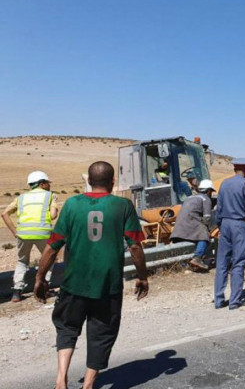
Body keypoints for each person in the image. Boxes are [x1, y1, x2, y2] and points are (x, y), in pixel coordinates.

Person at [33, 161, 149, 389]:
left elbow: (53, 246)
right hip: (108, 286)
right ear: (113, 182)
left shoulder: (73, 204)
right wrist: (143, 276)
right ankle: (88, 385)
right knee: (102, 334)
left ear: (89, 181)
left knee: (67, 328)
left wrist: (39, 278)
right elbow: (135, 246)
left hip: (73, 283)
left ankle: (61, 380)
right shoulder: (123, 206)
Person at [1, 171, 58, 302]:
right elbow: (54, 215)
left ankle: (17, 291)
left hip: (23, 234)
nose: (49, 186)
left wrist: (14, 232)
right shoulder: (50, 196)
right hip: (42, 232)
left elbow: (4, 214)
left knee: (22, 261)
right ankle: (44, 287)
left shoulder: (21, 197)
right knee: (48, 260)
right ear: (42, 184)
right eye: (47, 183)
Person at [215, 158, 245, 310]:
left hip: (225, 224)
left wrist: (220, 224)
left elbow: (219, 207)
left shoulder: (224, 183)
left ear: (234, 167)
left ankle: (218, 300)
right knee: (238, 262)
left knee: (222, 263)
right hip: (240, 224)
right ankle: (234, 301)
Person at [170, 180, 216, 272]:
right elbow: (207, 218)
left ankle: (182, 264)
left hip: (179, 227)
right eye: (211, 192)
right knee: (204, 234)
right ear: (208, 191)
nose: (211, 194)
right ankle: (197, 257)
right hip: (191, 223)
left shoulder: (189, 198)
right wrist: (212, 228)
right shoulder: (205, 199)